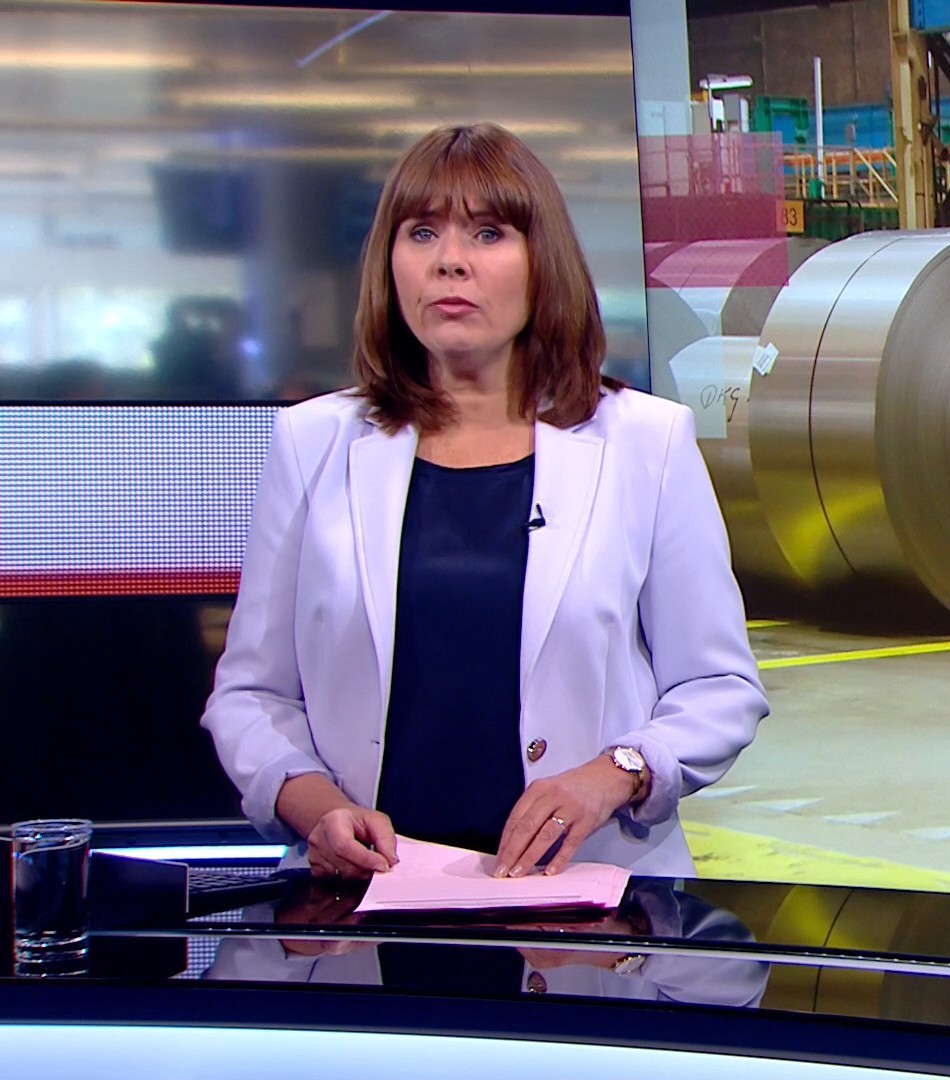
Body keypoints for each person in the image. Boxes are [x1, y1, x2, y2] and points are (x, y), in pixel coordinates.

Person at [201, 123, 767, 881]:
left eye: (489, 232)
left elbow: (719, 689)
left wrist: (616, 773)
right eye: (421, 232)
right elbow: (251, 694)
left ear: (543, 261)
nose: (450, 260)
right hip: (367, 901)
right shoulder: (312, 442)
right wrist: (313, 805)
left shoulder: (646, 442)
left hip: (587, 895)